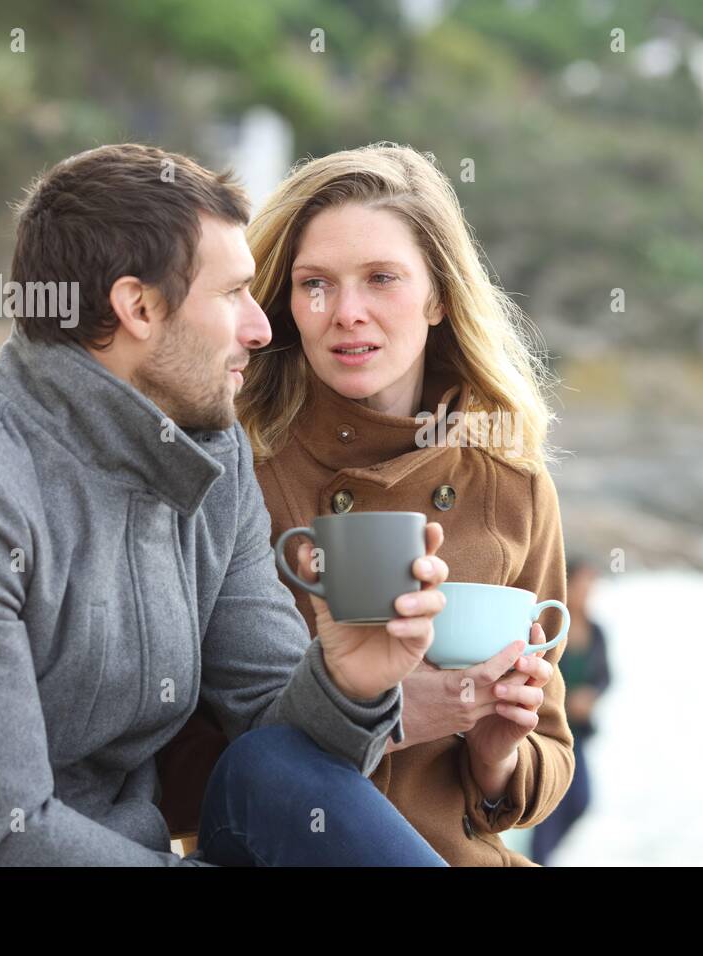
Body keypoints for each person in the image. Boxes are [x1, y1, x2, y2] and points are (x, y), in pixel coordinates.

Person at [0, 144, 450, 866]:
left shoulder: (208, 454)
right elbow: (5, 842)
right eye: (232, 294)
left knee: (267, 767)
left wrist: (348, 682)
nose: (261, 328)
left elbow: (287, 764)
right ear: (139, 306)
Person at [159, 143, 574, 865]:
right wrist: (383, 716)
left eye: (381, 279)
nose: (347, 313)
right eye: (315, 283)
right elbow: (174, 758)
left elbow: (552, 750)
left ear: (439, 296)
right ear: (285, 301)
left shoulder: (511, 483)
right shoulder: (234, 474)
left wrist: (495, 755)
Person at [528, 556, 611, 865]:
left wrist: (591, 696)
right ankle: (538, 858)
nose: (589, 590)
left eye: (594, 584)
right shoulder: (550, 627)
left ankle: (542, 856)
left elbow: (605, 677)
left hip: (579, 733)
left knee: (580, 800)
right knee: (548, 801)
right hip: (545, 728)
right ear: (568, 584)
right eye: (584, 583)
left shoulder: (597, 631)